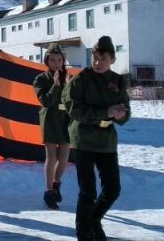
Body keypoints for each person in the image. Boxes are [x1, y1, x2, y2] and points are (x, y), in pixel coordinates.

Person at [63, 36, 130, 241]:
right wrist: (106, 112)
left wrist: (121, 114)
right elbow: (74, 109)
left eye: (103, 58)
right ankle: (83, 232)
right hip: (83, 138)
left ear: (112, 60)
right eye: (95, 57)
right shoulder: (81, 80)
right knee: (88, 191)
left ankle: (93, 220)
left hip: (106, 141)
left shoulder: (118, 81)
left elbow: (126, 111)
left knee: (113, 189)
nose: (98, 62)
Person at [33, 43, 71, 210]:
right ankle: (49, 191)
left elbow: (72, 101)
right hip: (49, 119)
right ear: (47, 61)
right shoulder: (40, 79)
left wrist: (69, 88)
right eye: (53, 60)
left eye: (59, 60)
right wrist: (55, 86)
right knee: (52, 156)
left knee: (64, 157)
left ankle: (56, 184)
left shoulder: (67, 77)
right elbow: (46, 101)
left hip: (65, 120)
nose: (56, 63)